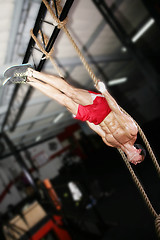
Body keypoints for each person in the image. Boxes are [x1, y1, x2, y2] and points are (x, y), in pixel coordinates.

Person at [3, 64, 146, 165]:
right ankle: (30, 72)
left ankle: (28, 80)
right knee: (70, 92)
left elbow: (98, 129)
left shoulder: (113, 144)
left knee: (64, 100)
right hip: (104, 108)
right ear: (138, 151)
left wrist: (83, 115)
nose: (135, 163)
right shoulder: (131, 131)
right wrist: (104, 91)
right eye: (138, 161)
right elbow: (116, 110)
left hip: (93, 118)